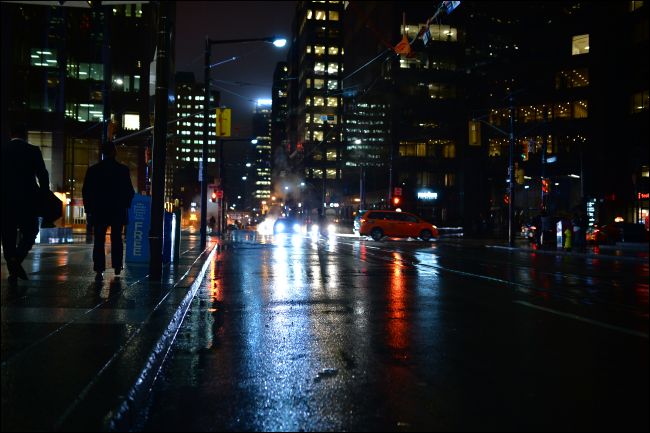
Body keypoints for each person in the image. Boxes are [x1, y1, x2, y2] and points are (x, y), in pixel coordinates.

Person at [1, 123, 50, 282]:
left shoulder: (3, 150)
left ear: (11, 134)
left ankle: (11, 262)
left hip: (5, 200)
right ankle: (17, 258)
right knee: (30, 231)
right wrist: (43, 196)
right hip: (27, 201)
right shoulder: (33, 151)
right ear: (25, 135)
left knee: (7, 233)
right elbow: (43, 176)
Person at [82, 141, 135, 280]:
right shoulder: (122, 170)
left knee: (99, 239)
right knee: (116, 238)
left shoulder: (93, 170)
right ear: (114, 152)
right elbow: (130, 191)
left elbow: (86, 191)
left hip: (99, 211)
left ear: (102, 153)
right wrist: (125, 205)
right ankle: (117, 265)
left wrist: (89, 210)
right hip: (117, 210)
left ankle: (99, 268)